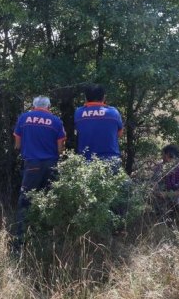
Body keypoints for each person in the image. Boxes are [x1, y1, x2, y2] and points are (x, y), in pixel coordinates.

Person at [13, 96, 66, 245]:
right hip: (51, 165)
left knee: (26, 200)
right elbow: (60, 148)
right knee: (50, 198)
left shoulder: (24, 118)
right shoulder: (56, 121)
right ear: (49, 106)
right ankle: (48, 237)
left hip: (32, 164)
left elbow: (17, 144)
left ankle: (21, 239)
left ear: (33, 106)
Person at [74, 84, 124, 170]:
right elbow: (119, 134)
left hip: (87, 160)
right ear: (104, 97)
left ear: (85, 98)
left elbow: (78, 130)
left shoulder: (78, 113)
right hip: (111, 159)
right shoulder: (113, 112)